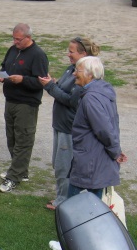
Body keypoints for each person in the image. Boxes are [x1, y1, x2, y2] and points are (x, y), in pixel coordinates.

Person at [39, 37, 100, 210]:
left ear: (83, 53)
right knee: (58, 163)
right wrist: (53, 83)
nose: (68, 54)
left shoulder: (84, 75)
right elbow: (63, 88)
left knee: (64, 166)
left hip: (68, 127)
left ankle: (63, 202)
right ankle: (63, 197)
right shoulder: (71, 70)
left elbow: (71, 101)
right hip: (59, 124)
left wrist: (50, 86)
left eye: (72, 51)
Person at [0, 23, 48, 193]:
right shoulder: (12, 50)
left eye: (18, 39)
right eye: (14, 38)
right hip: (10, 100)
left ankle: (13, 177)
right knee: (12, 138)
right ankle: (20, 171)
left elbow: (41, 81)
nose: (15, 42)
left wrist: (22, 80)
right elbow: (5, 68)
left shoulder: (38, 55)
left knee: (23, 140)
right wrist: (1, 76)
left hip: (26, 103)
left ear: (28, 38)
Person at [68, 57, 127, 199]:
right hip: (96, 161)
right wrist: (116, 151)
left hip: (90, 163)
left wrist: (115, 153)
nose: (74, 73)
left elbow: (104, 130)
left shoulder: (91, 98)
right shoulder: (103, 92)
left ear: (90, 74)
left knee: (76, 209)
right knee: (94, 206)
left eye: (78, 70)